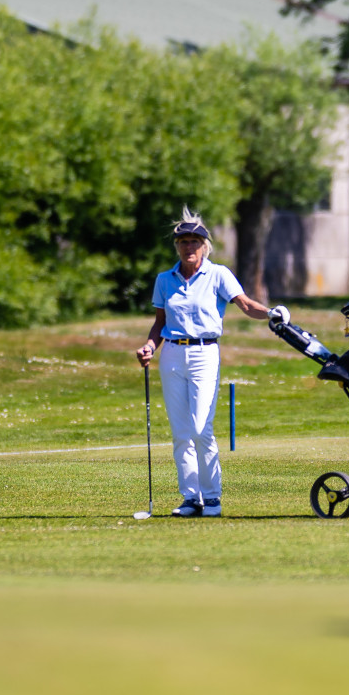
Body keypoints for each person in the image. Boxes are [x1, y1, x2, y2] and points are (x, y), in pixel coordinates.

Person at [135, 209, 272, 517]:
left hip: (204, 353)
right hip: (171, 355)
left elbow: (245, 304)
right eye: (183, 242)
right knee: (181, 432)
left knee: (200, 428)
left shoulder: (218, 274)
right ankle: (191, 498)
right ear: (177, 246)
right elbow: (160, 323)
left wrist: (272, 314)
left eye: (194, 242)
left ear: (205, 246)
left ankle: (212, 497)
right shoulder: (164, 280)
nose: (189, 247)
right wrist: (149, 346)